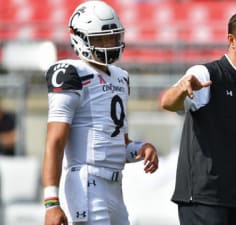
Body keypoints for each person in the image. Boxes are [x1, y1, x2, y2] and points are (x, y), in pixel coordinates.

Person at [42, 1, 159, 225]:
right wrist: (51, 202)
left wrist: (141, 148)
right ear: (80, 38)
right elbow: (54, 141)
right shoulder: (70, 72)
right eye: (101, 39)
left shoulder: (121, 76)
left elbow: (118, 144)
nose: (110, 44)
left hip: (115, 187)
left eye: (113, 37)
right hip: (87, 183)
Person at [160, 10, 236, 225]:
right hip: (205, 199)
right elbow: (168, 102)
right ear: (231, 40)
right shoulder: (207, 75)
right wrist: (181, 89)